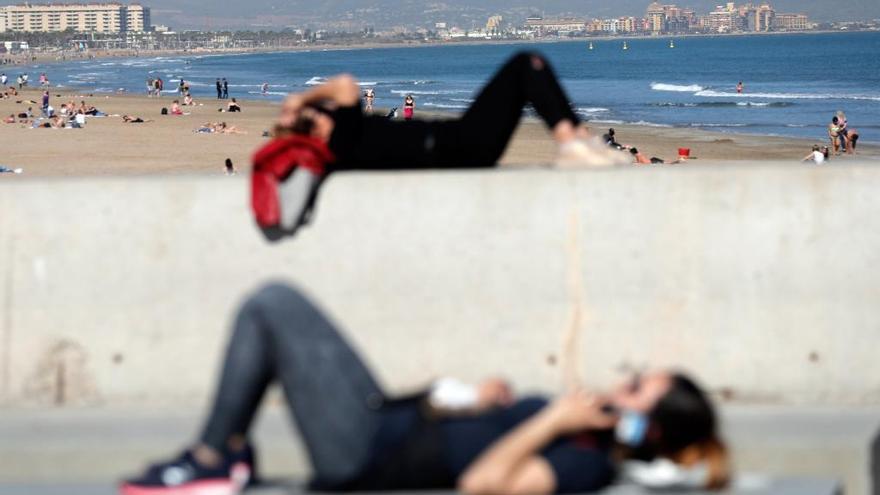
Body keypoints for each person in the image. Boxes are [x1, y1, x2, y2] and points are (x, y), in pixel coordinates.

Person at [120, 283, 730, 495]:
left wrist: (549, 422)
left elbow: (483, 483)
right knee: (274, 306)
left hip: (367, 454)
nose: (620, 383)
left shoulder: (585, 461)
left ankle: (211, 459)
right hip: (387, 421)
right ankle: (224, 452)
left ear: (644, 428)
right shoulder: (577, 434)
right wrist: (496, 403)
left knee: (274, 305)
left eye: (635, 388)